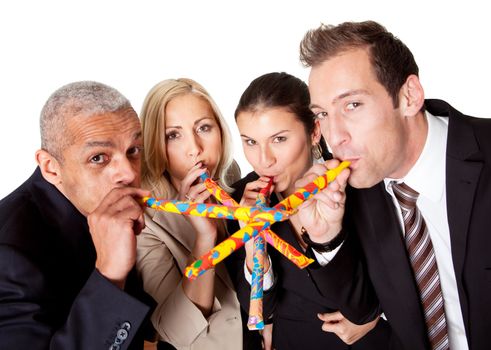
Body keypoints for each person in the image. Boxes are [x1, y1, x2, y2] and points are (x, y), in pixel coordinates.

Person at [298, 20, 491, 350]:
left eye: (352, 105)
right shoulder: (348, 194)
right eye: (322, 114)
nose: (335, 137)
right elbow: (361, 312)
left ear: (409, 96)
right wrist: (325, 235)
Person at [227, 72, 391, 349]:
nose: (263, 160)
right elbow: (260, 313)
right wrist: (256, 253)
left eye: (279, 139)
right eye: (250, 142)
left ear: (314, 131)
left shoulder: (359, 181)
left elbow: (406, 276)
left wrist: (375, 316)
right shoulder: (239, 203)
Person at [0, 81, 154, 349]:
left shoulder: (109, 211)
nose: (129, 173)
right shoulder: (10, 253)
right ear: (50, 168)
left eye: (133, 150)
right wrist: (109, 275)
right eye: (98, 158)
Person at [137, 78, 258, 350]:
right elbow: (175, 330)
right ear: (156, 145)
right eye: (173, 135)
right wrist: (204, 237)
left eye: (204, 128)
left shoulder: (235, 180)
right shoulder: (146, 221)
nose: (195, 148)